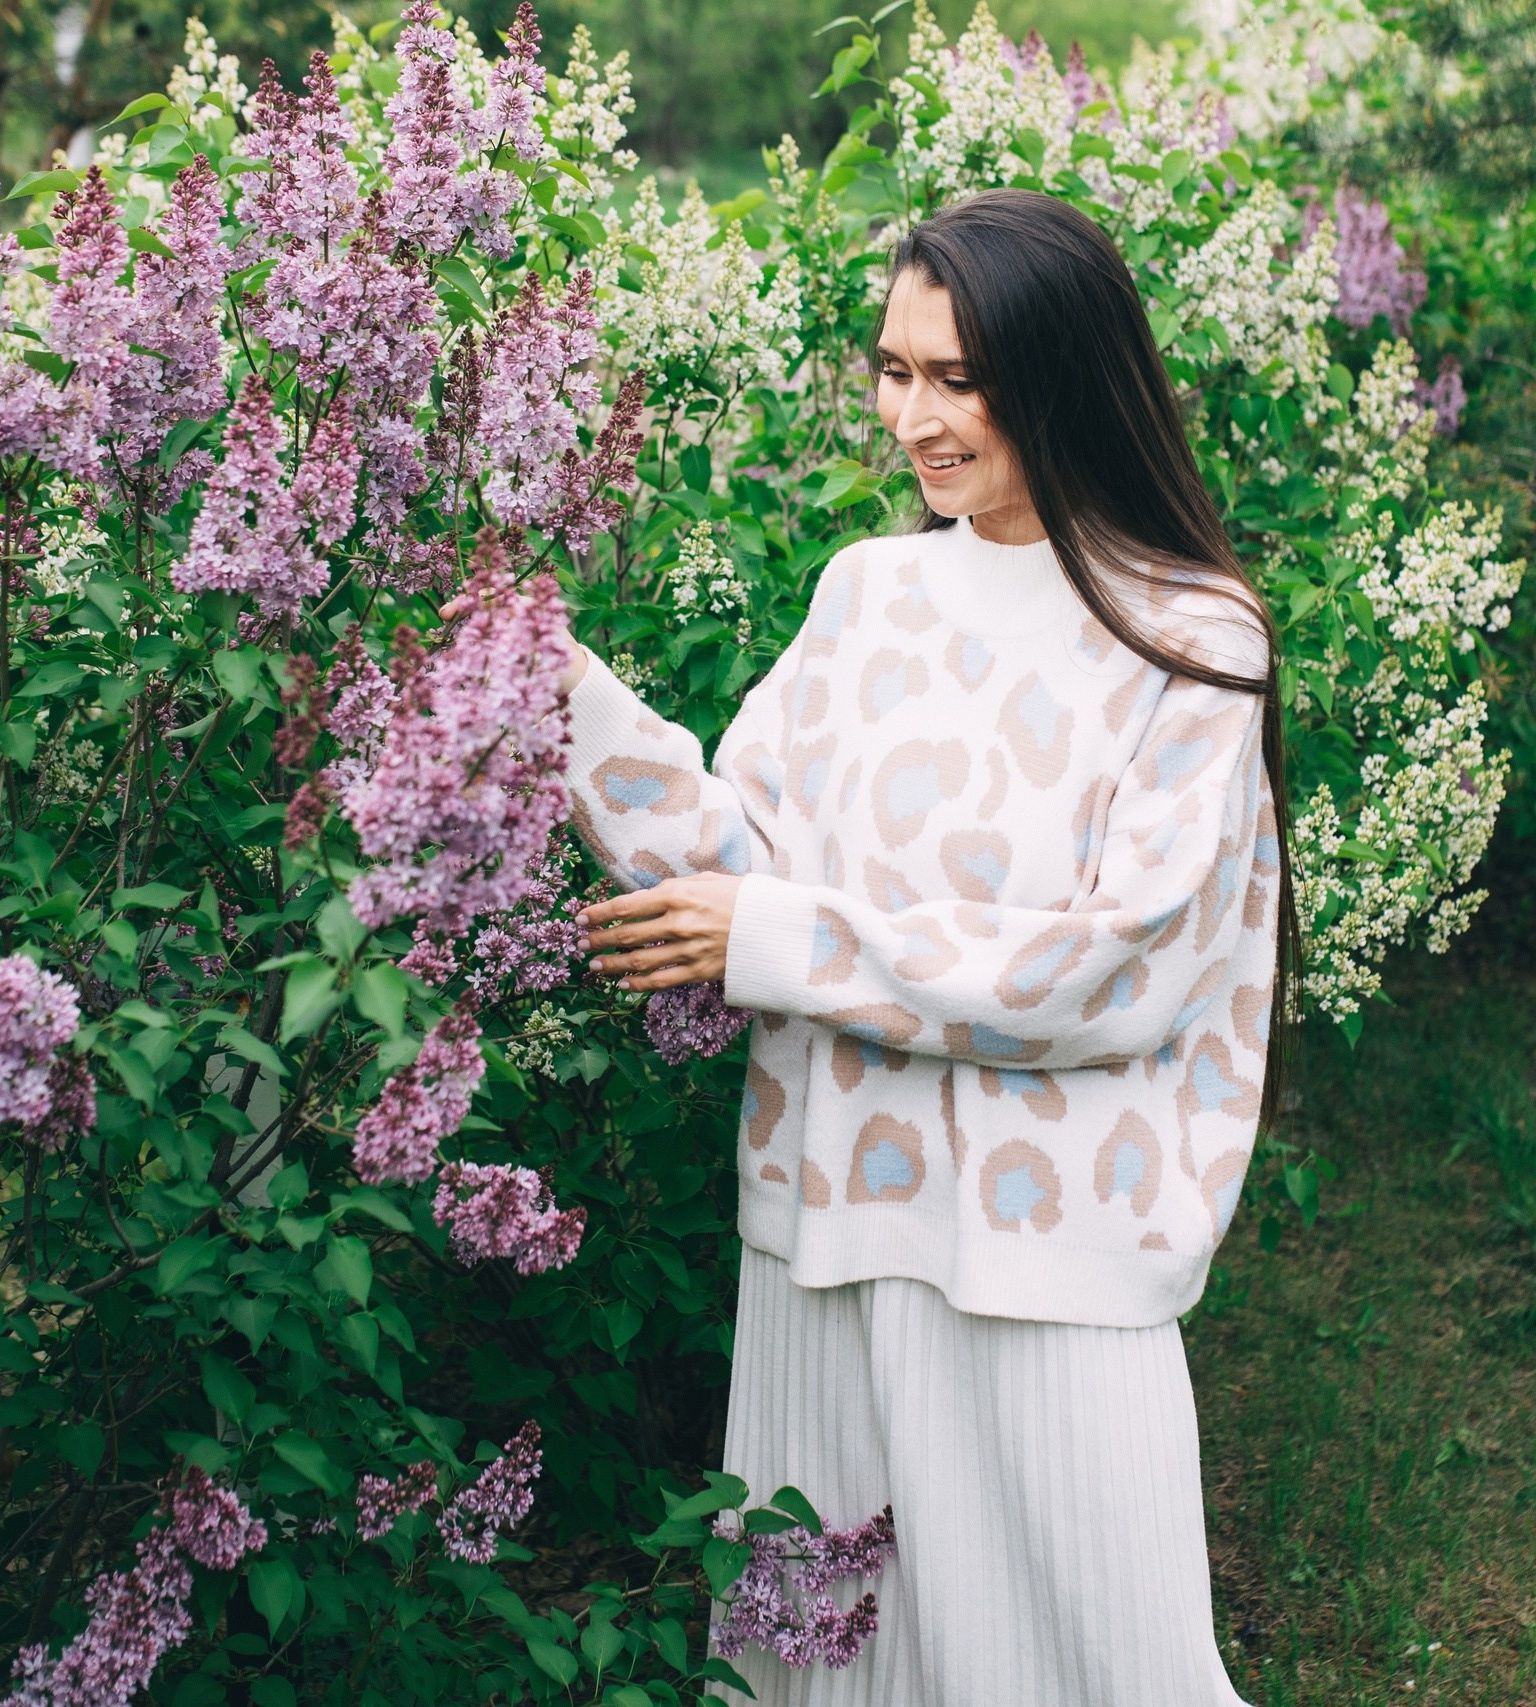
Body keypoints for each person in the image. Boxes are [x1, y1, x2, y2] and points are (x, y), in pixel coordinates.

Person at [558, 189, 1289, 1705]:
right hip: (836, 1221)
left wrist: (776, 936)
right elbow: (734, 871)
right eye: (894, 369)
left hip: (1058, 1258)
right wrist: (543, 686)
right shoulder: (866, 597)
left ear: (1068, 372)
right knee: (820, 1667)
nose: (915, 416)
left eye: (959, 377)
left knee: (1096, 1666)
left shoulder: (1193, 636)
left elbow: (1112, 974)